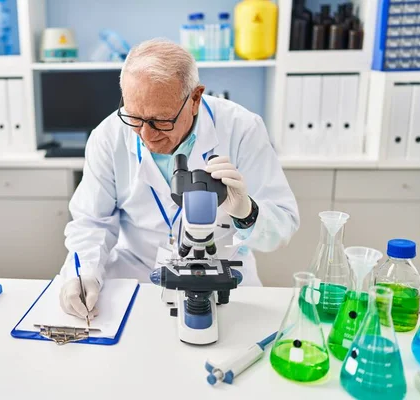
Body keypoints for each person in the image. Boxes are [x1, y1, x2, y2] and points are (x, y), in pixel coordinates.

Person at [58, 38, 299, 320]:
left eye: (161, 121)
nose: (146, 136)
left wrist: (247, 213)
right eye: (134, 118)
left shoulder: (241, 128)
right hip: (137, 275)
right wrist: (83, 272)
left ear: (195, 98)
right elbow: (91, 222)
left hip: (221, 276)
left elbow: (283, 226)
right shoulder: (108, 135)